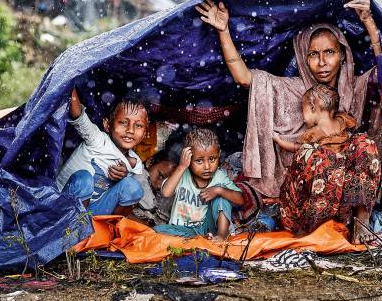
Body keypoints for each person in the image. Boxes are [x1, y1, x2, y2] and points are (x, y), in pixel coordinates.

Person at [195, 0, 382, 243]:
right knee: (320, 158)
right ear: (304, 59)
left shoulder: (355, 89)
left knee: (364, 144)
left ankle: (361, 222)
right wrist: (223, 30)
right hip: (301, 205)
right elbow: (245, 78)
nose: (322, 62)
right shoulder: (293, 88)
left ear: (342, 54)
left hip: (342, 204)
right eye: (313, 54)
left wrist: (369, 22)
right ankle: (313, 233)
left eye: (329, 52)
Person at [273, 84, 381, 241]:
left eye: (302, 111)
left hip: (341, 208)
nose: (303, 118)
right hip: (306, 211)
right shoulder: (315, 138)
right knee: (318, 155)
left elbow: (297, 147)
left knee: (365, 143)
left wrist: (279, 140)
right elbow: (300, 149)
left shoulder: (340, 123)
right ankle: (310, 228)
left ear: (311, 107)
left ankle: (361, 218)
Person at [56, 88, 146, 216]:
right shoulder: (97, 139)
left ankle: (109, 228)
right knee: (84, 179)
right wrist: (69, 83)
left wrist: (123, 177)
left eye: (138, 125)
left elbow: (127, 194)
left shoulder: (135, 163)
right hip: (64, 205)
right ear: (107, 124)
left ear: (144, 133)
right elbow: (77, 113)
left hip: (95, 212)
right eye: (123, 123)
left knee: (134, 187)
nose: (130, 130)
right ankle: (75, 228)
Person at [154, 128, 244, 241]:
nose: (207, 166)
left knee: (222, 195)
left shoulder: (219, 176)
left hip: (208, 228)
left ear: (219, 154)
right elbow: (166, 193)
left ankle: (221, 236)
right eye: (199, 161)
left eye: (212, 159)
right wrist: (181, 166)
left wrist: (219, 190)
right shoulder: (181, 173)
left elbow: (240, 199)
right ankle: (200, 240)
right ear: (188, 158)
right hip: (183, 230)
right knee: (157, 230)